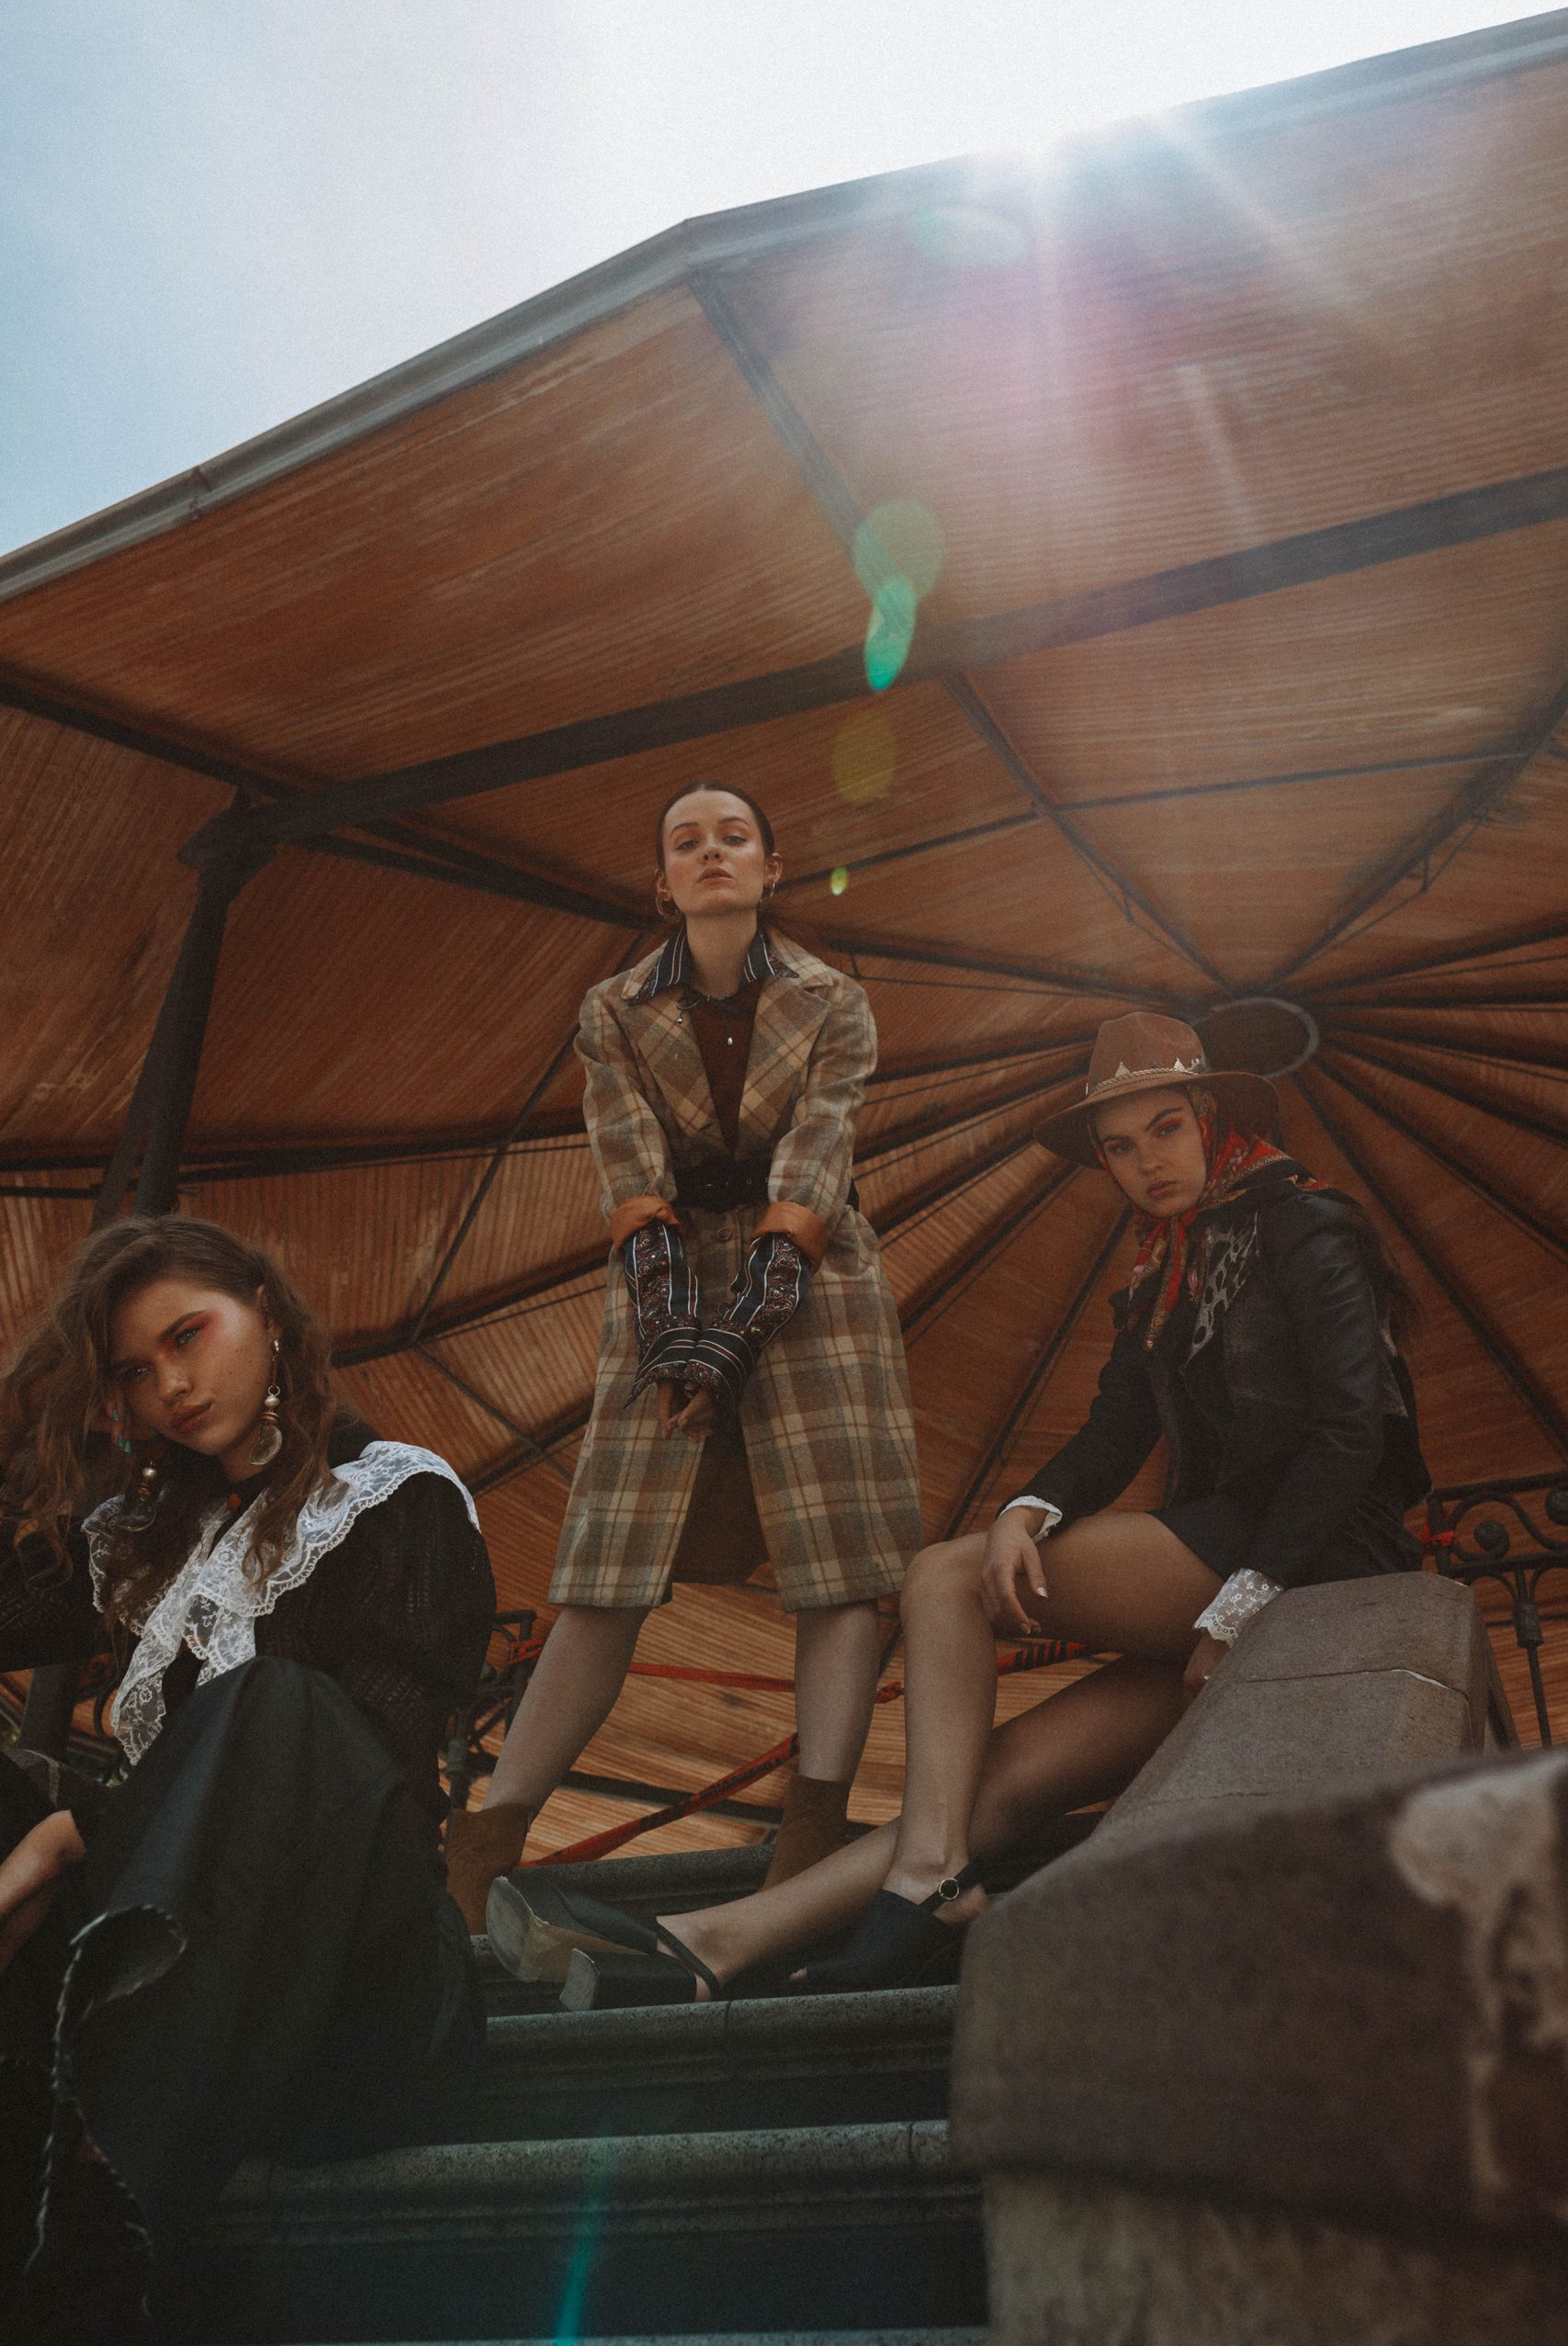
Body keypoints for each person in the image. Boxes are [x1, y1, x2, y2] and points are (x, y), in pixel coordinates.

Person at [485, 1009, 1430, 2008]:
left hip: (1314, 1561)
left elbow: (1351, 1432)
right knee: (999, 1777)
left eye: (1165, 1129)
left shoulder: (1306, 1224)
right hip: (1220, 1580)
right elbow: (1112, 1432)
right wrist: (1026, 1508)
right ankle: (712, 1941)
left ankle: (929, 1880)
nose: (1145, 1162)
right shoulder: (1163, 1265)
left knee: (943, 1577)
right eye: (1119, 1146)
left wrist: (1240, 1605)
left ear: (1209, 1117)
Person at [0, 1217, 495, 2343]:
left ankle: (104, 2199)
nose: (171, 1386)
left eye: (188, 1335)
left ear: (267, 1313)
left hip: (355, 1993)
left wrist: (71, 1832)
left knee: (274, 1703)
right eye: (132, 1370)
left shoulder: (395, 1499)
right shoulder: (139, 1541)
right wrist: (46, 1406)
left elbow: (370, 1774)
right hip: (156, 1975)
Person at [446, 783, 921, 1932]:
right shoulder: (611, 1009)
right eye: (687, 842)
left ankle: (810, 1831)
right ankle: (485, 1844)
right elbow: (627, 1163)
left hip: (815, 1279)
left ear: (770, 867)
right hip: (663, 1272)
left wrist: (741, 1330)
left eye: (734, 838)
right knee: (604, 1562)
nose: (713, 854)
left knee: (841, 1564)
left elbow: (818, 1161)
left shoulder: (835, 1001)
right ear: (662, 883)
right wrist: (674, 1332)